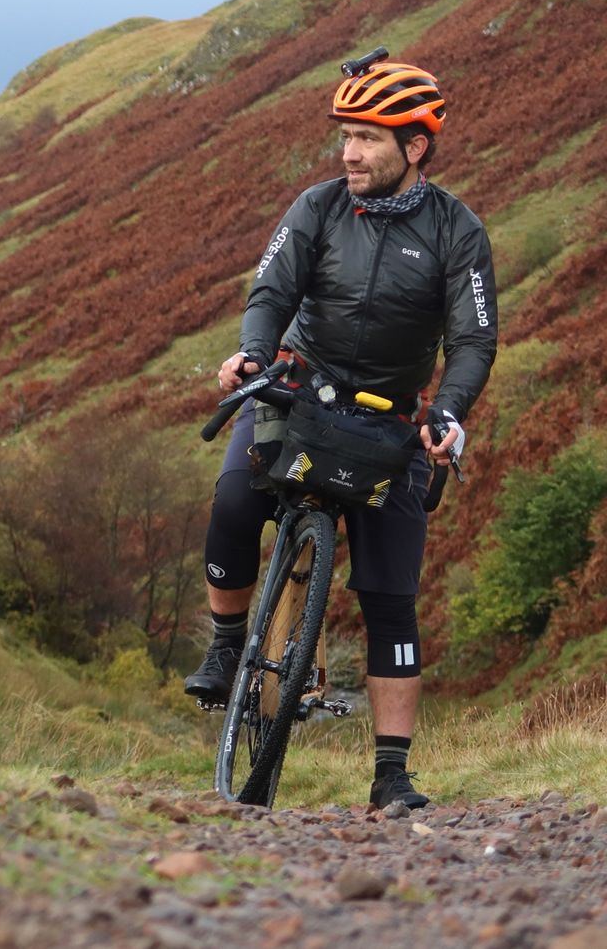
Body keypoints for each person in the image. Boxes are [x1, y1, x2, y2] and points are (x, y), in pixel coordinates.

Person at [182, 53, 497, 812]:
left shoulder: (457, 230)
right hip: (298, 393)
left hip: (390, 418)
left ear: (414, 147)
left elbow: (474, 341)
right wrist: (253, 353)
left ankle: (391, 772)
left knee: (391, 596)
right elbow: (272, 290)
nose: (349, 152)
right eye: (346, 135)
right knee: (232, 504)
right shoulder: (317, 207)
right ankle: (229, 645)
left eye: (367, 137)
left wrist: (447, 413)